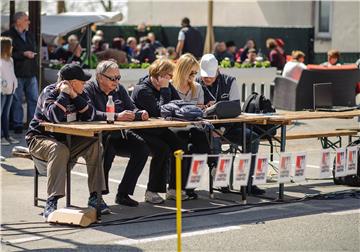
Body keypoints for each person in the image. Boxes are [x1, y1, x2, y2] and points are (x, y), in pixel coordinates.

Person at [25, 64, 108, 219]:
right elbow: (54, 117)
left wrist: (75, 97)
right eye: (81, 80)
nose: (85, 83)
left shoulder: (80, 93)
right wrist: (64, 94)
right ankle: (52, 200)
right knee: (59, 149)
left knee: (95, 144)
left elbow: (91, 115)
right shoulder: (49, 92)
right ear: (69, 82)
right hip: (39, 139)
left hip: (67, 140)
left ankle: (95, 197)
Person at [84, 60, 158, 206]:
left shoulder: (119, 89)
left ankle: (123, 193)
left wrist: (140, 113)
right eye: (112, 78)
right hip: (97, 137)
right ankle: (97, 196)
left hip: (118, 134)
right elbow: (90, 114)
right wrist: (116, 116)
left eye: (118, 77)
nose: (116, 81)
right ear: (99, 77)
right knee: (107, 150)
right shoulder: (89, 89)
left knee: (142, 148)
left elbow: (131, 108)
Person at [196, 54, 265, 195]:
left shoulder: (229, 81)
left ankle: (248, 183)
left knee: (253, 138)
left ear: (218, 70)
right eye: (205, 75)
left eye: (210, 75)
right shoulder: (197, 82)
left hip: (230, 127)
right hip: (206, 129)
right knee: (212, 137)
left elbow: (235, 109)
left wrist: (221, 126)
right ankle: (221, 179)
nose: (207, 78)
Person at [131, 59, 194, 200]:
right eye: (169, 76)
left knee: (181, 146)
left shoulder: (167, 85)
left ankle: (174, 188)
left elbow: (179, 103)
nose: (171, 79)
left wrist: (167, 89)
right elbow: (160, 112)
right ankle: (151, 191)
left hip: (160, 129)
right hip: (143, 130)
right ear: (160, 75)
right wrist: (165, 89)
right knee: (162, 149)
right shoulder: (142, 89)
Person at [1, 12, 39, 134]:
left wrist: (31, 54)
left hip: (31, 73)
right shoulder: (7, 36)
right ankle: (17, 125)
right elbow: (6, 54)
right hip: (16, 74)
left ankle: (34, 124)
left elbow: (34, 48)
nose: (29, 22)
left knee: (33, 99)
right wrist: (23, 54)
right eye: (26, 20)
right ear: (18, 21)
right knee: (17, 101)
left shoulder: (29, 34)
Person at [1, 37, 19, 145]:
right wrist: (3, 85)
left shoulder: (10, 60)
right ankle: (1, 137)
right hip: (2, 91)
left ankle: (7, 136)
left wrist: (14, 84)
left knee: (6, 115)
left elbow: (12, 74)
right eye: (10, 45)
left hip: (10, 91)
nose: (12, 47)